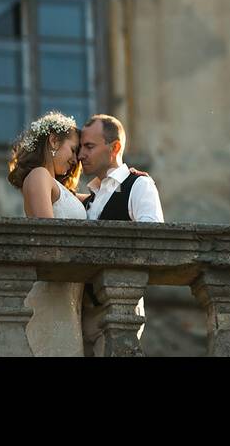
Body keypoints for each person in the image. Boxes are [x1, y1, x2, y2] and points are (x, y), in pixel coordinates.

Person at [77, 114, 163, 353]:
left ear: (114, 147)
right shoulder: (91, 198)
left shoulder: (139, 185)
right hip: (81, 312)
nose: (81, 154)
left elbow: (153, 241)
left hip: (119, 309)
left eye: (89, 146)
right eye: (81, 147)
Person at [6, 111, 86, 357]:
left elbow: (101, 198)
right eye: (73, 150)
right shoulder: (40, 176)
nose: (76, 159)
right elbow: (47, 238)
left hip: (68, 300)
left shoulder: (60, 188)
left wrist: (129, 180)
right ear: (53, 141)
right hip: (51, 298)